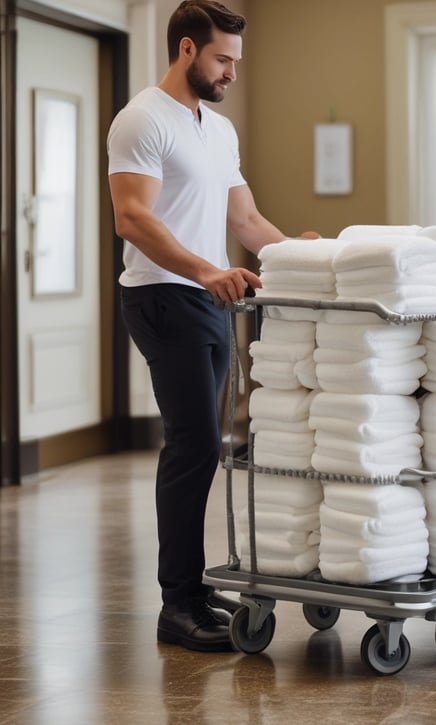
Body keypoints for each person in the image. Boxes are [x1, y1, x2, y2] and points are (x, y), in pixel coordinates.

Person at [107, 0, 314, 652]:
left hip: (206, 299)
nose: (231, 72)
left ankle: (192, 588)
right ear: (187, 50)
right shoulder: (142, 119)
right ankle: (177, 604)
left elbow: (246, 222)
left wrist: (302, 256)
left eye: (236, 61)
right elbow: (132, 217)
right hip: (162, 296)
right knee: (193, 445)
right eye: (223, 59)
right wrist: (205, 270)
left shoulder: (218, 130)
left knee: (205, 446)